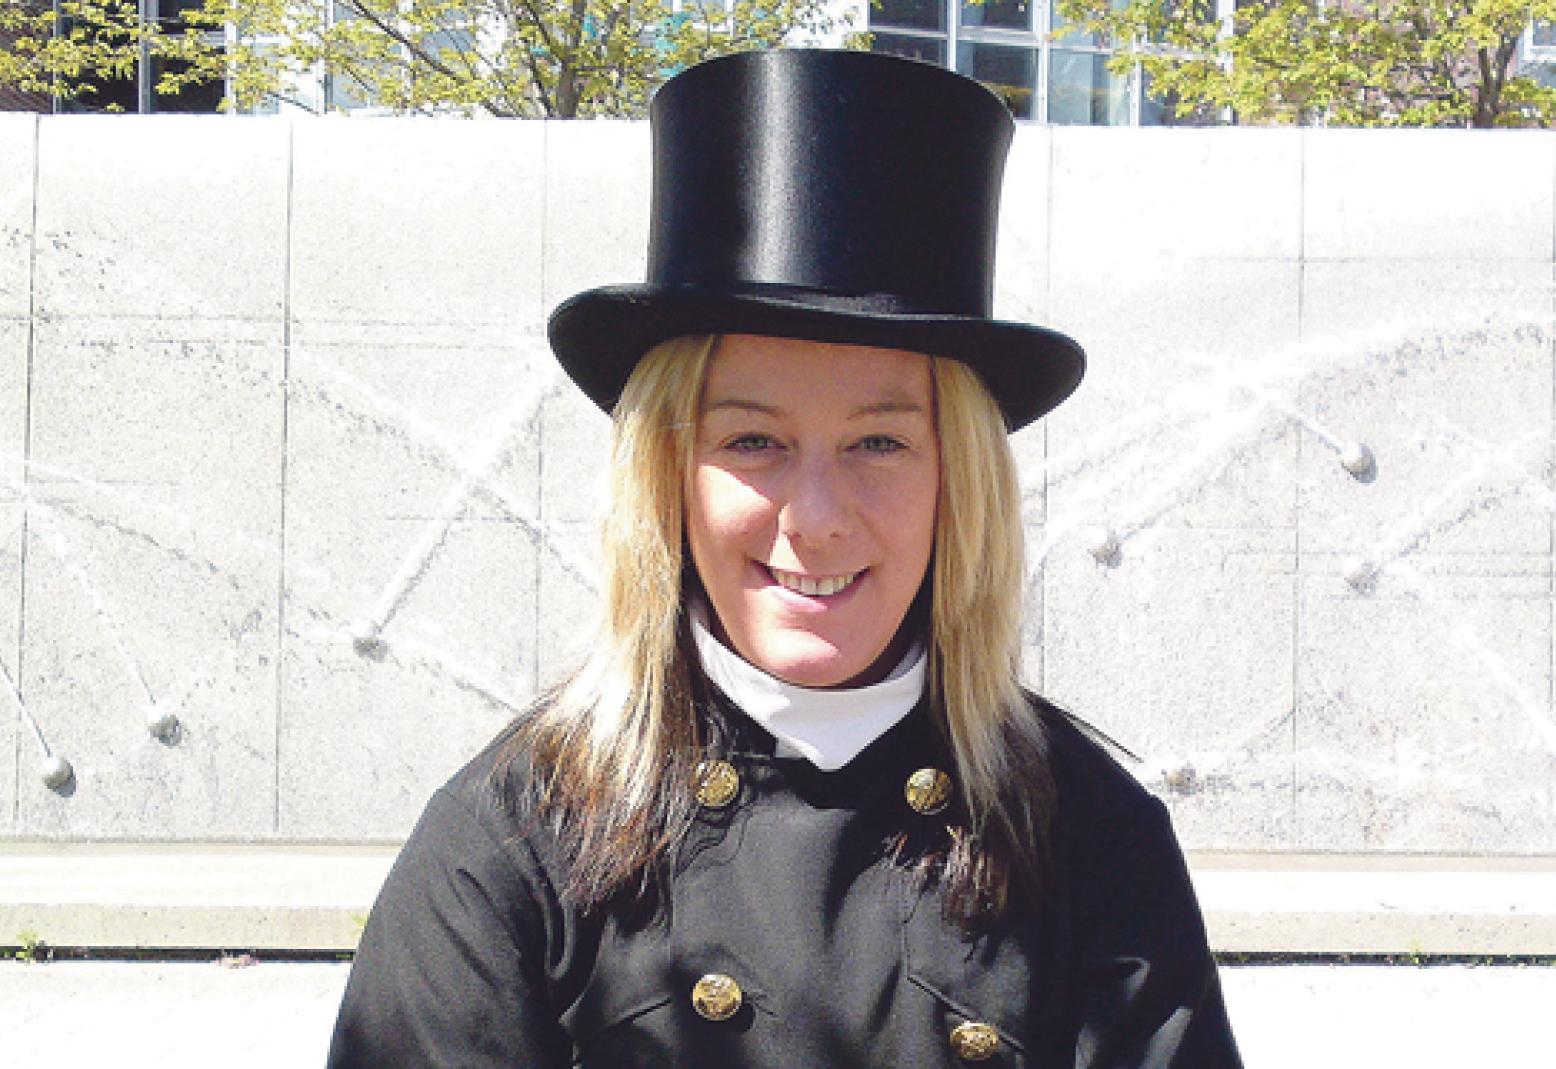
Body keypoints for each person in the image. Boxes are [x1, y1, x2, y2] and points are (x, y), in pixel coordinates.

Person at [327, 48, 1242, 1068]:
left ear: (959, 481)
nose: (815, 518)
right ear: (668, 475)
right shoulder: (509, 842)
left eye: (879, 442)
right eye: (753, 440)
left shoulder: (1090, 834)